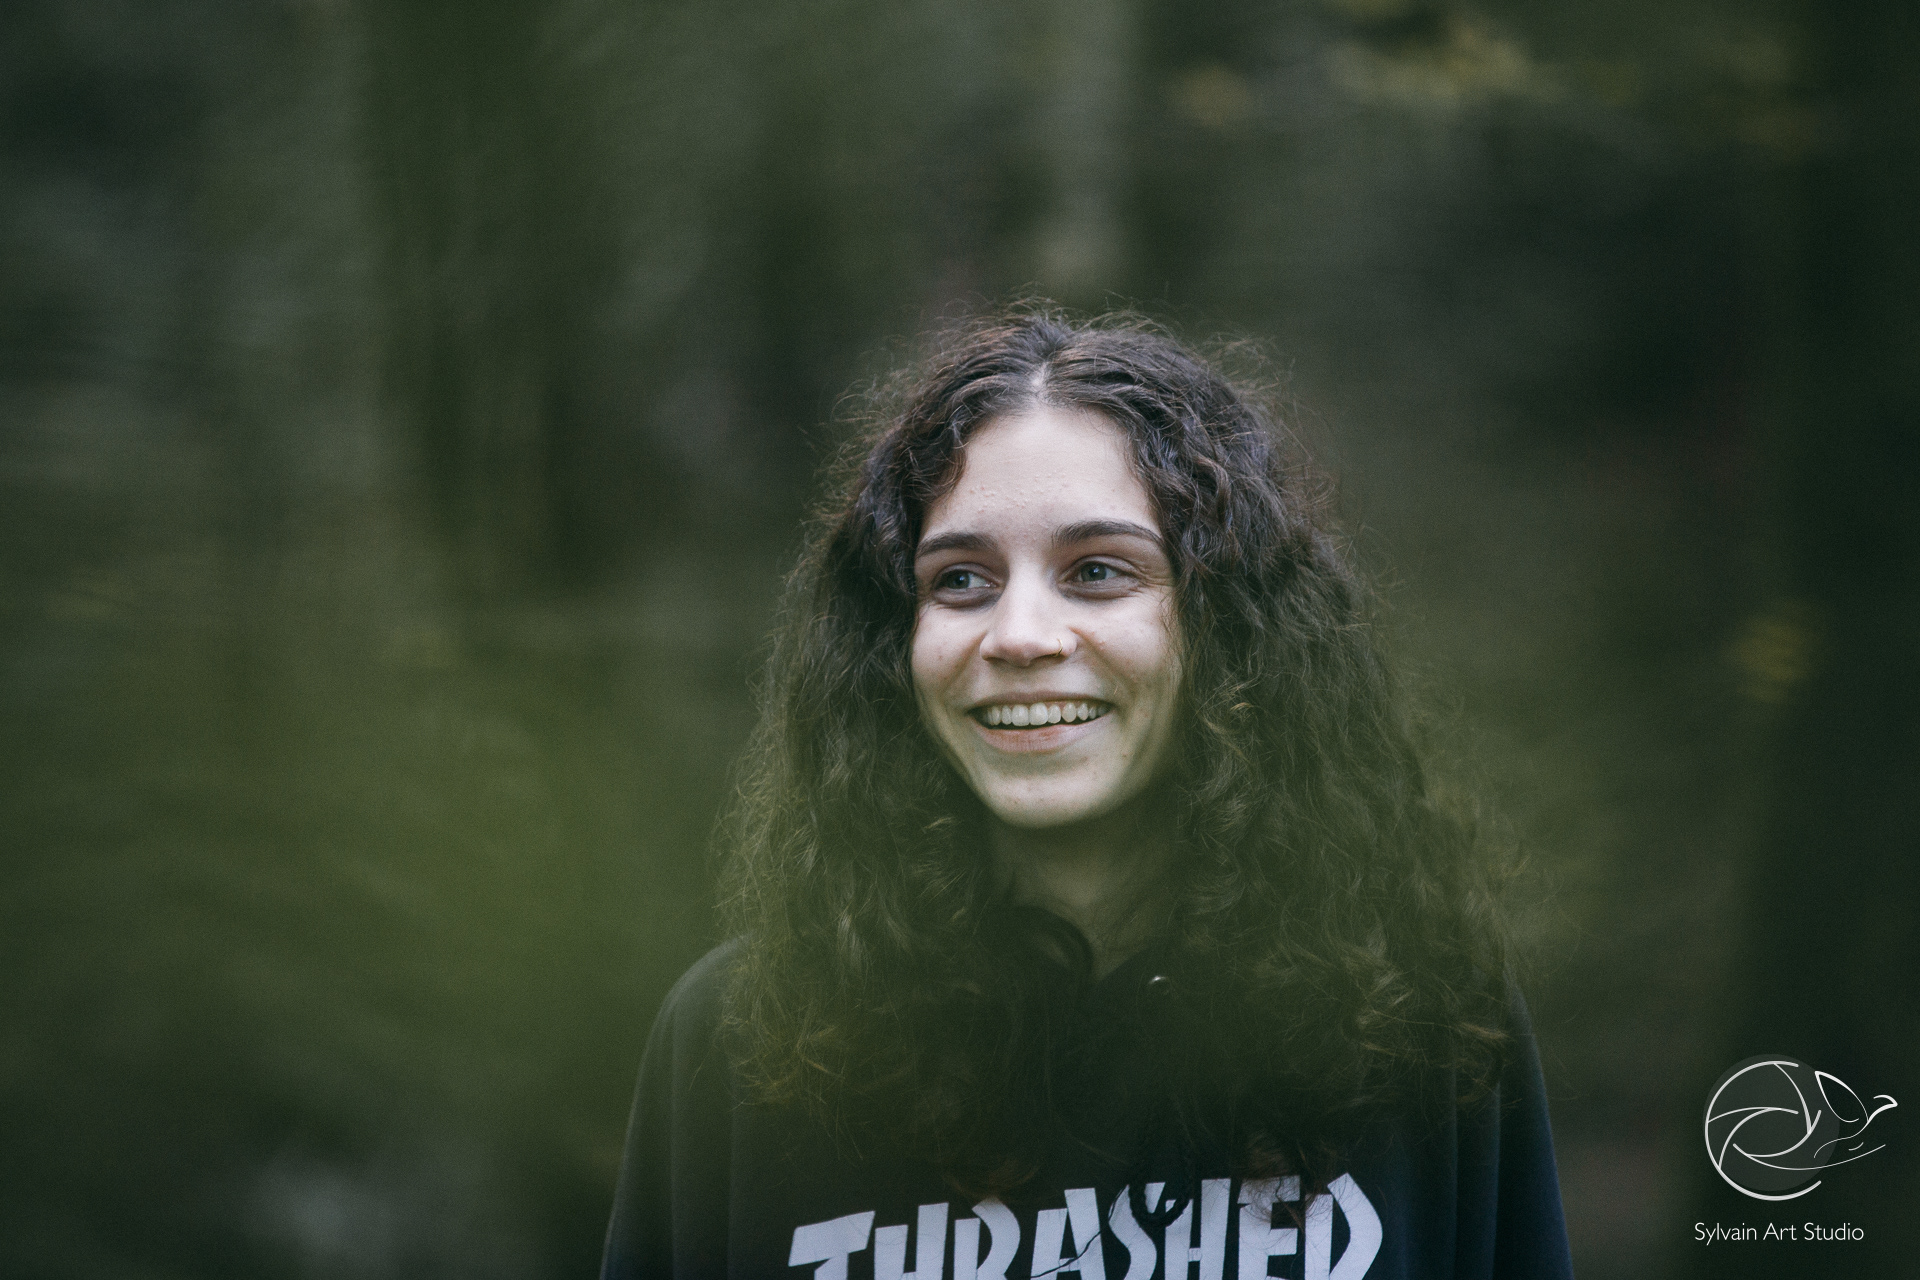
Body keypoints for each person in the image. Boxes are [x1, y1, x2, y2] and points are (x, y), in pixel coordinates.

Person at [602, 309, 1573, 1280]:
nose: (1021, 635)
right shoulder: (746, 1041)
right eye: (961, 579)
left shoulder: (1418, 1025)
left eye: (1099, 571)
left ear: (1227, 626)